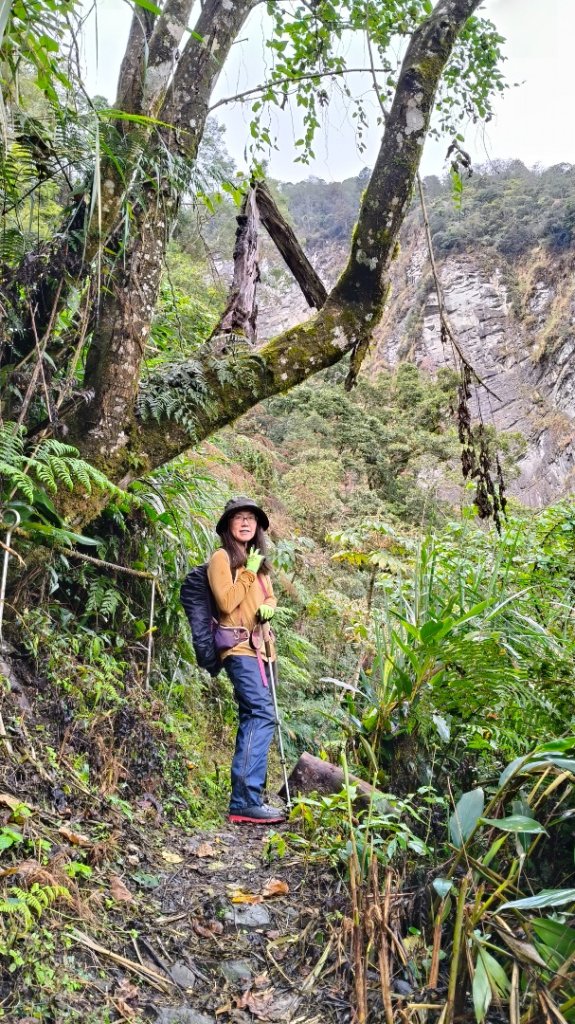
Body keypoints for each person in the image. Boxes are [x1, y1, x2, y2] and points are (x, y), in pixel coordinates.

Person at [208, 497, 286, 825]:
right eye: (238, 518)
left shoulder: (258, 563)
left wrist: (270, 605)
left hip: (262, 650)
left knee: (253, 716)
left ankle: (250, 796)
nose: (244, 523)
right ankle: (244, 800)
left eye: (250, 519)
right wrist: (248, 573)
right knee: (261, 713)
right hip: (238, 648)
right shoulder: (221, 558)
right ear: (228, 525)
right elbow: (226, 603)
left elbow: (267, 596)